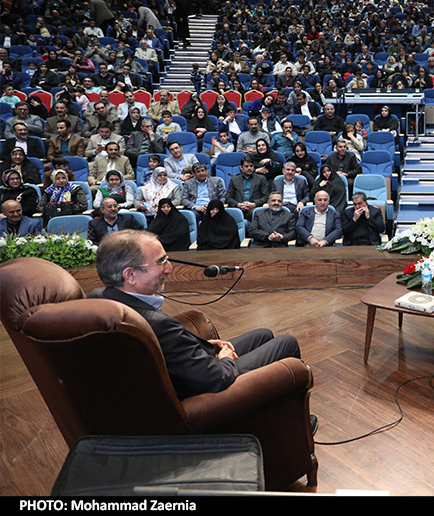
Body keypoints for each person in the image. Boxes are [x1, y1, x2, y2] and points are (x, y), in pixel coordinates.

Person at [95, 230, 307, 408]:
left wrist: (203, 345)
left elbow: (171, 352)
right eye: (161, 262)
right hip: (203, 388)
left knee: (263, 335)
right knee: (286, 343)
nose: (169, 269)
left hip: (186, 370)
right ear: (130, 275)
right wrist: (224, 358)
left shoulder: (99, 298)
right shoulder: (157, 324)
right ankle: (290, 420)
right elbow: (215, 379)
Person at [226, 156, 270, 220]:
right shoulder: (234, 179)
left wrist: (254, 204)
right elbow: (228, 197)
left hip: (254, 209)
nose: (249, 168)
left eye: (251, 166)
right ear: (241, 167)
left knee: (256, 213)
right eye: (246, 166)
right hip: (238, 208)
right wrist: (238, 204)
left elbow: (266, 196)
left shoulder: (261, 179)